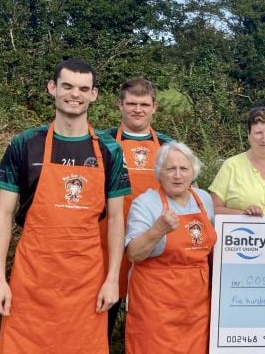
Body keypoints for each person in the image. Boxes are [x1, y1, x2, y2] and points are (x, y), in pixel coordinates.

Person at [0, 59, 130, 353]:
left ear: (94, 94)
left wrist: (112, 280)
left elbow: (116, 219)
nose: (74, 94)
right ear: (52, 88)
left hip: (87, 281)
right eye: (67, 86)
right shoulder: (24, 144)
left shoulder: (109, 150)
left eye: (83, 88)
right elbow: (3, 215)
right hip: (32, 278)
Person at [124, 142, 215, 353]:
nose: (177, 175)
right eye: (170, 169)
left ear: (193, 172)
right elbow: (134, 254)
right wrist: (157, 230)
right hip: (156, 305)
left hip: (196, 304)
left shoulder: (204, 200)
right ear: (159, 172)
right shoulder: (145, 204)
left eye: (183, 169)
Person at [101, 78, 173, 339]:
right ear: (120, 105)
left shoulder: (168, 146)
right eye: (131, 103)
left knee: (151, 313)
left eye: (144, 104)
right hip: (107, 241)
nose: (138, 109)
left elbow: (187, 190)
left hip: (153, 241)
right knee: (103, 310)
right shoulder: (101, 142)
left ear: (154, 107)